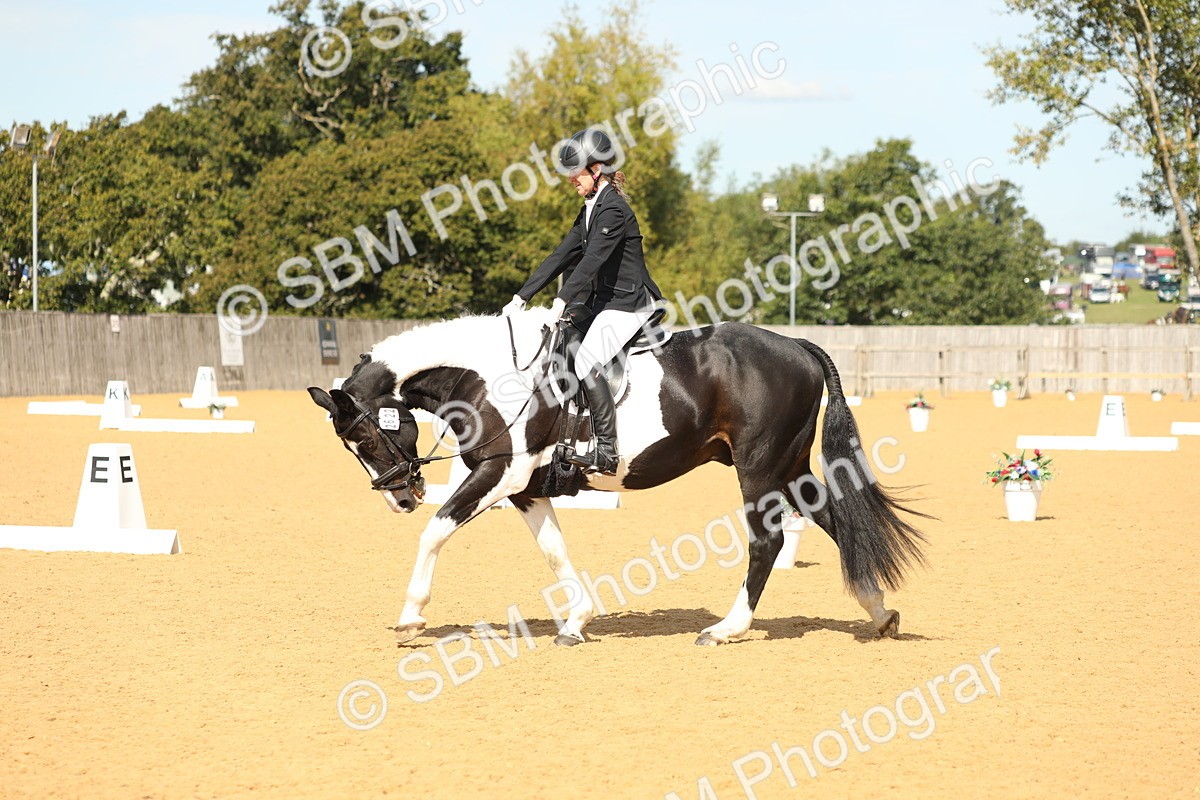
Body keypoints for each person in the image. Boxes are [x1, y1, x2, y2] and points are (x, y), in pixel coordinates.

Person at [501, 128, 663, 475]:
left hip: (629, 303)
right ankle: (568, 433)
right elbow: (561, 255)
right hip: (604, 302)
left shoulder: (614, 210)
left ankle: (606, 450)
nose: (571, 179)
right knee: (560, 341)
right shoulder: (590, 208)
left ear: (596, 170)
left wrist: (561, 300)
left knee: (587, 360)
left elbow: (591, 263)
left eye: (576, 172)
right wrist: (520, 296)